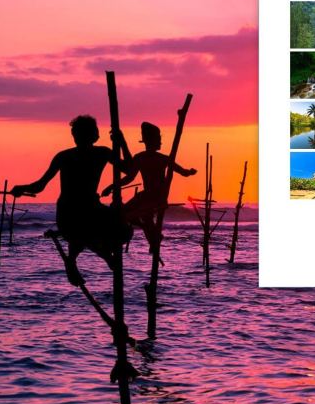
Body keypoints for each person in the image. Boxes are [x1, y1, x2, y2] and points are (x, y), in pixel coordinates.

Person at [11, 115, 133, 286]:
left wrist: (122, 143)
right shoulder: (89, 154)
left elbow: (39, 186)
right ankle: (89, 258)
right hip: (71, 214)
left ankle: (82, 258)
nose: (76, 137)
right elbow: (130, 170)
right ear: (95, 135)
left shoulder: (94, 154)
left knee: (121, 230)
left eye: (77, 133)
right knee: (86, 230)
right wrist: (122, 143)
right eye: (76, 134)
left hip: (87, 210)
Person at [102, 122, 196, 251]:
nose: (160, 143)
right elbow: (183, 172)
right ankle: (152, 237)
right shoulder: (159, 158)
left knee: (131, 216)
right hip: (151, 196)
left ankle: (153, 237)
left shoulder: (146, 158)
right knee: (135, 216)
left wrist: (111, 186)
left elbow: (129, 178)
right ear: (153, 141)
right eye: (159, 140)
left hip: (154, 197)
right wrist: (112, 187)